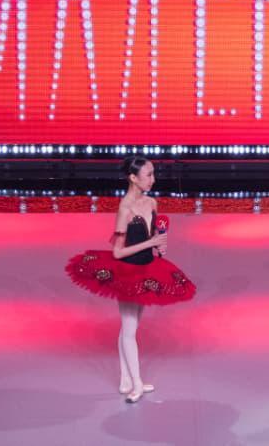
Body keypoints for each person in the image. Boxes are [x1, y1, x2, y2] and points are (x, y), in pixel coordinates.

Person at [65, 157, 195, 402]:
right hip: (127, 273)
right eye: (148, 175)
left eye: (153, 173)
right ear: (133, 178)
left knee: (129, 328)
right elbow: (118, 252)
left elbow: (152, 234)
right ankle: (136, 384)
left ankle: (126, 379)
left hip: (148, 270)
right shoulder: (125, 209)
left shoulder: (152, 202)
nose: (153, 179)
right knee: (129, 330)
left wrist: (158, 246)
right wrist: (150, 243)